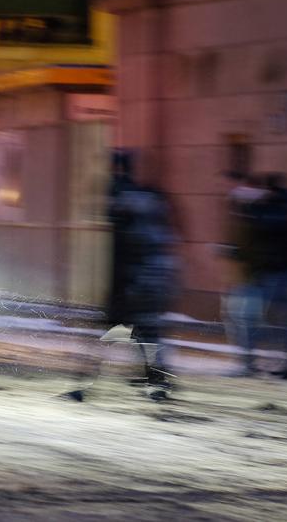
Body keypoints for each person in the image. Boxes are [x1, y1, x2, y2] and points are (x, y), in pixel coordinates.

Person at [65, 151, 179, 402]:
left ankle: (83, 386)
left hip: (131, 287)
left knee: (111, 337)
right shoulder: (149, 201)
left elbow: (122, 245)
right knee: (146, 337)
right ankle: (159, 384)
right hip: (150, 284)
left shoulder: (122, 202)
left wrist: (118, 292)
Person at [221, 173, 267, 377]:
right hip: (245, 276)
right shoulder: (247, 214)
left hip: (248, 276)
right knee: (240, 319)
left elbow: (246, 248)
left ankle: (247, 363)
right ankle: (247, 361)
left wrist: (231, 251)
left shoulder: (248, 215)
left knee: (243, 319)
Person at [257, 173, 287, 379]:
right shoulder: (286, 207)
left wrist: (258, 207)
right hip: (283, 269)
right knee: (285, 319)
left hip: (276, 270)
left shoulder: (277, 210)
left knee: (278, 320)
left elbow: (267, 230)